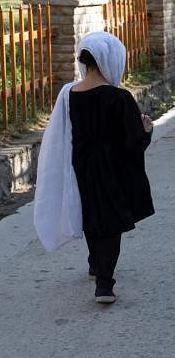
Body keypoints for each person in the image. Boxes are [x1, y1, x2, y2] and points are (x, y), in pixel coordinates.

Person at [34, 32, 154, 305]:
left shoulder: (69, 94)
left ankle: (94, 262)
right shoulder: (119, 97)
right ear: (109, 60)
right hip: (112, 170)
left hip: (79, 166)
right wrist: (146, 130)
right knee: (110, 222)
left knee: (89, 213)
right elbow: (133, 142)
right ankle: (104, 284)